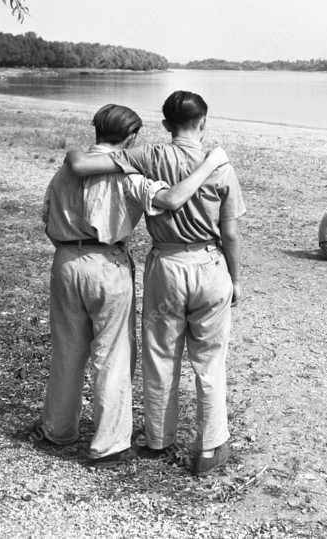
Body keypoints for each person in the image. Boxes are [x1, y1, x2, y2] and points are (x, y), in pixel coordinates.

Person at [32, 104, 229, 467]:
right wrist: (208, 165)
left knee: (67, 351)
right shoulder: (130, 175)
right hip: (108, 263)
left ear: (96, 130)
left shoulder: (64, 171)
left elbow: (46, 217)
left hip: (65, 260)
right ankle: (108, 443)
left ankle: (58, 429)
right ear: (132, 138)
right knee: (112, 354)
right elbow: (170, 200)